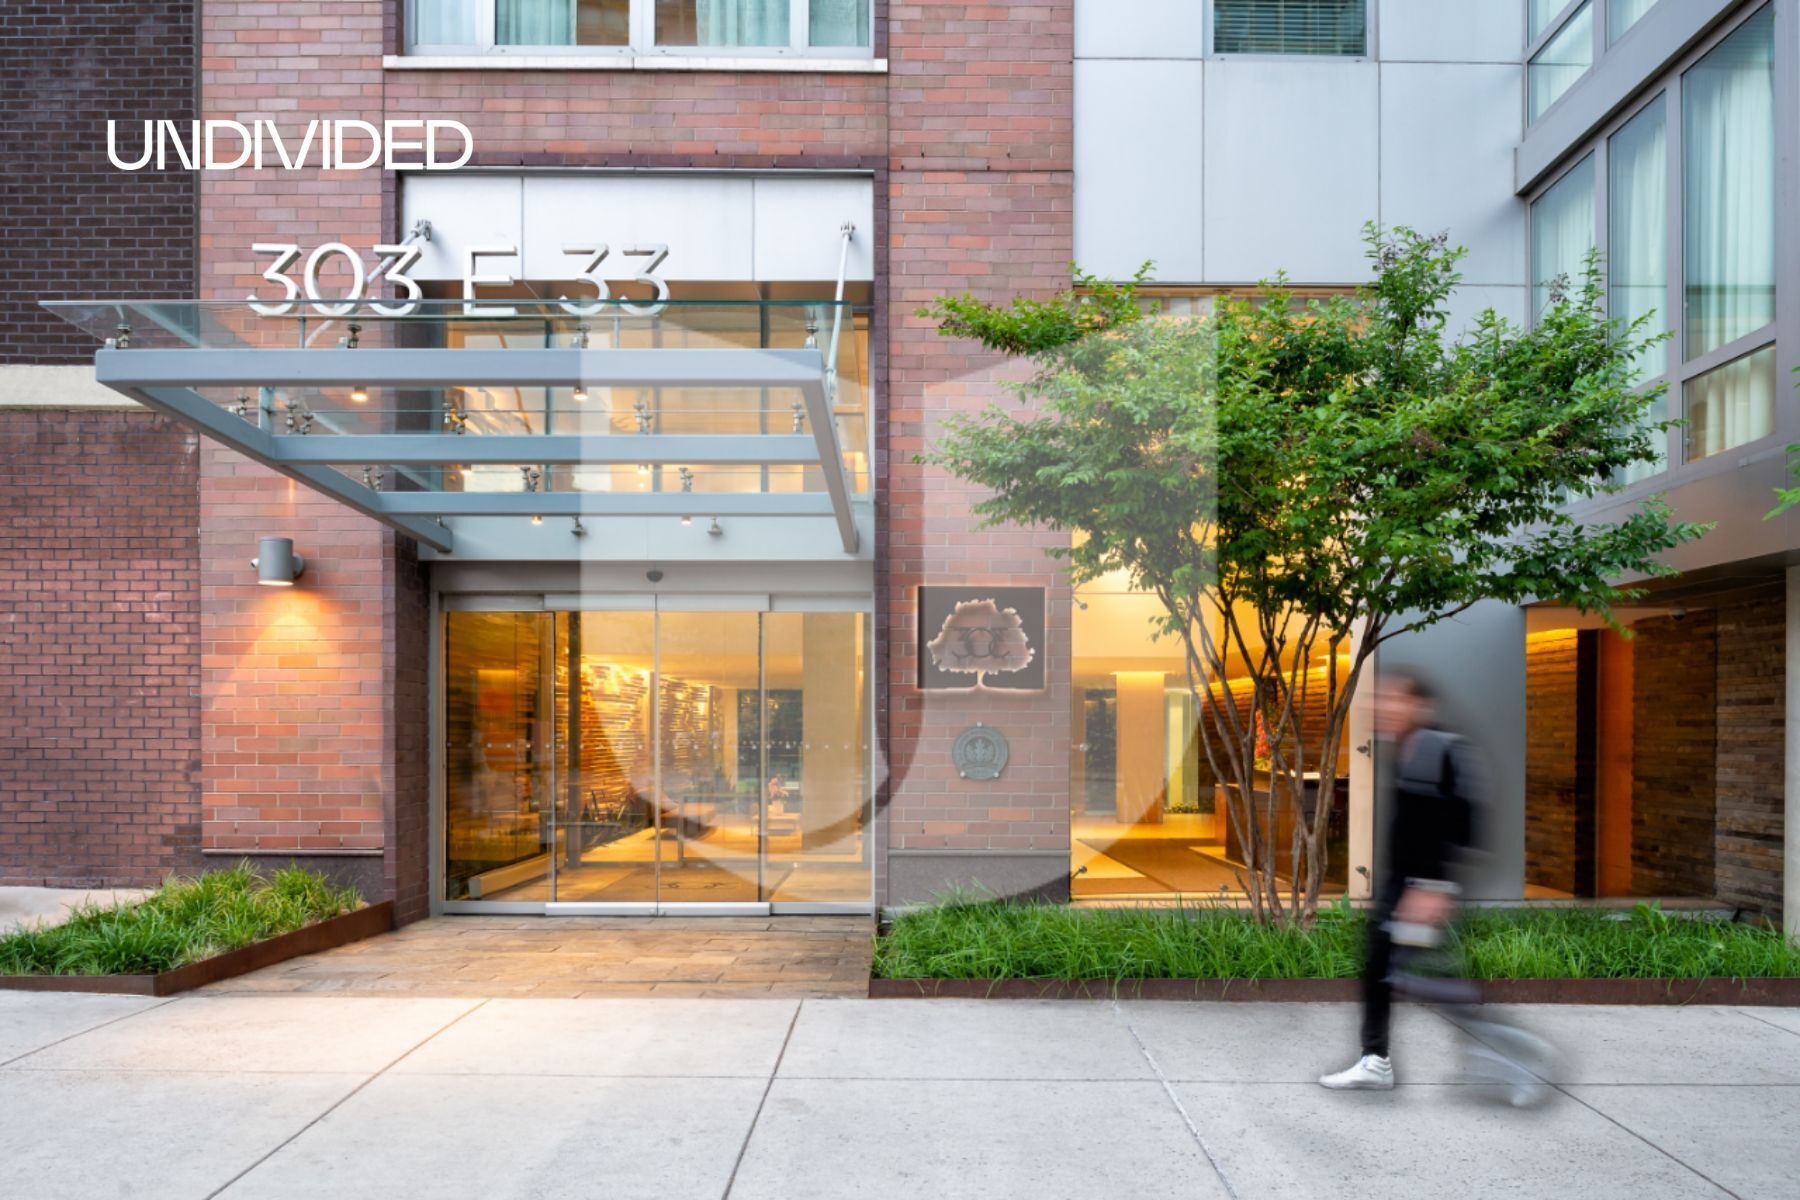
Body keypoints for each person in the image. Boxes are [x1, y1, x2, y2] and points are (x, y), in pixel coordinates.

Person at [1320, 667, 1479, 1091]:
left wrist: (1432, 887)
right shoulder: (1408, 748)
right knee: (1394, 969)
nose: (1384, 707)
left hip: (1418, 890)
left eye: (1394, 699)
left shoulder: (1433, 748)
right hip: (1404, 887)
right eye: (1381, 699)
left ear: (1419, 705)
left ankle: (1496, 1051)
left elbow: (1463, 825)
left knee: (1399, 971)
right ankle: (1378, 1059)